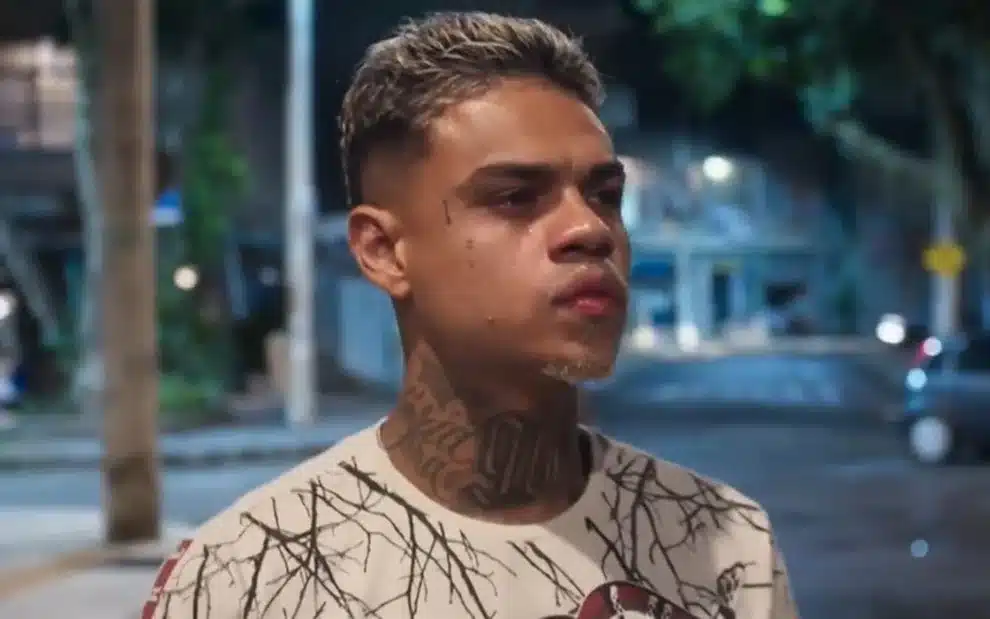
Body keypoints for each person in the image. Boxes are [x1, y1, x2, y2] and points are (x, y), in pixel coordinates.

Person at [145, 12, 800, 619]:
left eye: (605, 195)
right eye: (516, 197)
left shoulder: (723, 544)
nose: (590, 230)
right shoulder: (246, 576)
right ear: (384, 251)